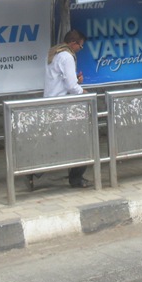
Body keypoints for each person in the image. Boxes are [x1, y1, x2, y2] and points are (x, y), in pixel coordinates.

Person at [42, 29, 91, 188]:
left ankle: (34, 170)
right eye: (80, 46)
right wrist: (81, 90)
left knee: (54, 141)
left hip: (51, 103)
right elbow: (70, 86)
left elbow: (60, 80)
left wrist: (76, 81)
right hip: (63, 106)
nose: (80, 49)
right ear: (73, 43)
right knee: (81, 142)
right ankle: (76, 178)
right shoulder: (67, 56)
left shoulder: (54, 53)